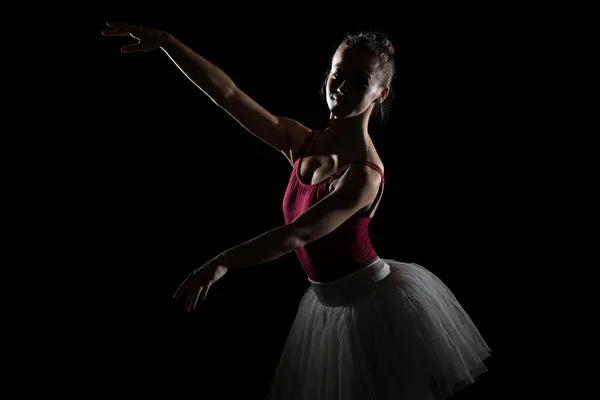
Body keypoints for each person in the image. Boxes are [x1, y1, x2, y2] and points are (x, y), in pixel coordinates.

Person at [103, 21, 491, 399]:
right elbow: (228, 95)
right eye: (339, 73)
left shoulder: (363, 175)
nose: (343, 86)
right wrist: (169, 43)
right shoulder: (300, 143)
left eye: (361, 80)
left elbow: (298, 234)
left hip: (372, 308)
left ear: (380, 94)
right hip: (327, 307)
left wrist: (221, 262)